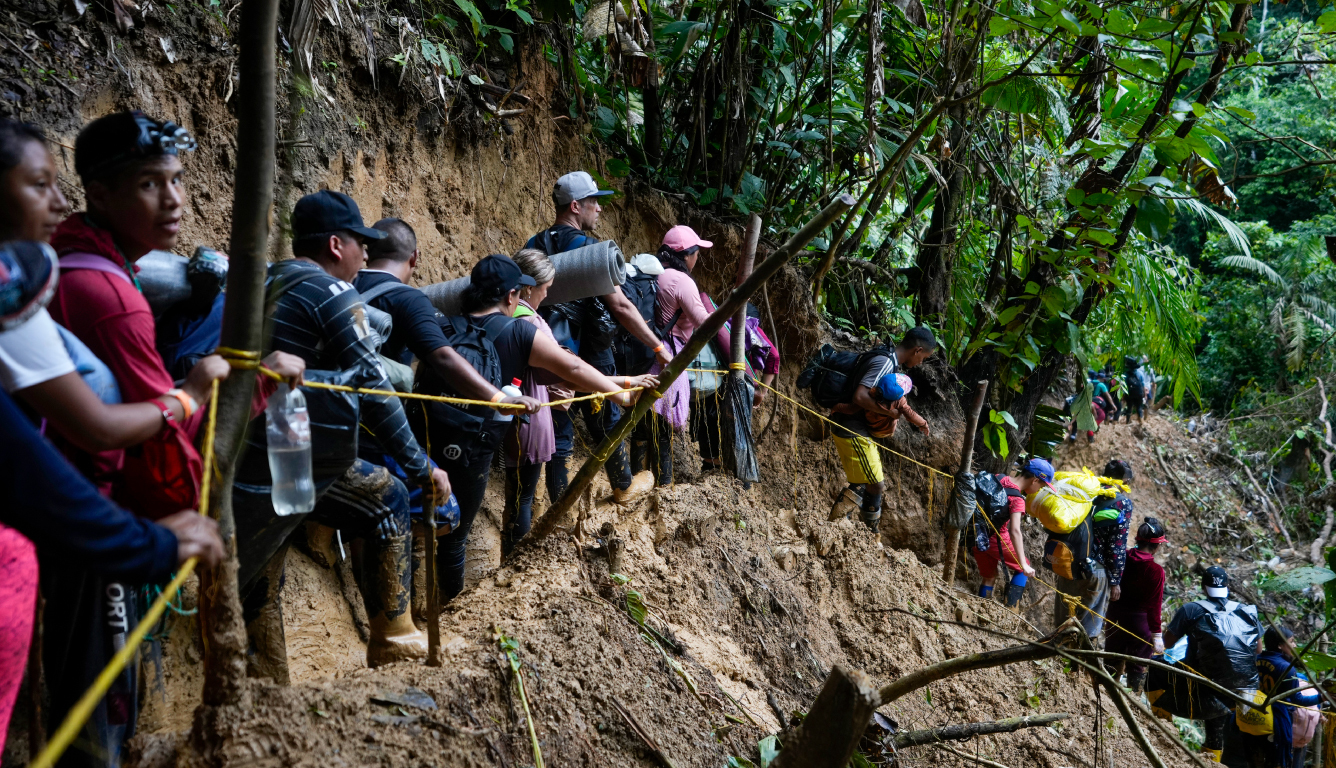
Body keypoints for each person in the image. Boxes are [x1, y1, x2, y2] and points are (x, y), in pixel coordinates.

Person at [0, 241, 225, 757]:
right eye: (37, 184)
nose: (55, 200)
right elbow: (93, 431)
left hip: (86, 527)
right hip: (87, 531)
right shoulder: (102, 295)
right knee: (99, 703)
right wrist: (189, 395)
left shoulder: (41, 288)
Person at [233, 189, 449, 671]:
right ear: (336, 245)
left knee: (260, 575)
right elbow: (371, 386)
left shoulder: (266, 281)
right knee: (387, 497)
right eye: (360, 243)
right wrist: (420, 468)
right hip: (295, 456)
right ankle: (393, 635)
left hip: (247, 453)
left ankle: (265, 687)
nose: (366, 253)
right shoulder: (330, 292)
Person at [415, 254, 655, 594]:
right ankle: (453, 608)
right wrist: (618, 394)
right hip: (474, 445)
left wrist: (624, 381)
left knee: (422, 522)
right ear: (512, 295)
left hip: (427, 435)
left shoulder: (447, 325)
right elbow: (569, 369)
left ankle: (415, 607)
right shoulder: (519, 331)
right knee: (457, 536)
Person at [526, 171, 672, 501]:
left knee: (559, 419)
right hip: (586, 346)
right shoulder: (589, 251)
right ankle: (622, 485)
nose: (599, 209)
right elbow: (619, 305)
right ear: (575, 206)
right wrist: (657, 346)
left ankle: (555, 505)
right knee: (607, 414)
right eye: (594, 202)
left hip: (543, 344)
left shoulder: (534, 244)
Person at [824, 327, 936, 532]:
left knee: (870, 482)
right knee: (872, 482)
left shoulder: (888, 359)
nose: (921, 363)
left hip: (853, 426)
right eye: (924, 357)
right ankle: (842, 529)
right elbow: (859, 397)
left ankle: (857, 532)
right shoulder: (885, 362)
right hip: (851, 427)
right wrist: (889, 414)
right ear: (918, 350)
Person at [502, 248, 570, 555]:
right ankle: (517, 563)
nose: (547, 293)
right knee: (523, 498)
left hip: (506, 409)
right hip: (529, 414)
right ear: (530, 287)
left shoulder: (502, 312)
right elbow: (560, 371)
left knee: (515, 496)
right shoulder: (531, 323)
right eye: (546, 287)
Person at [1163, 566, 1263, 763]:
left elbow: (1166, 644)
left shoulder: (1191, 609)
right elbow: (1258, 650)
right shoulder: (1245, 610)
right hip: (1244, 687)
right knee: (1219, 730)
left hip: (1203, 683)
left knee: (1157, 672)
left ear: (1203, 587)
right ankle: (1213, 761)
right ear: (1227, 586)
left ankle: (1161, 731)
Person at [653, 226, 723, 475]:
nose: (697, 259)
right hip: (669, 357)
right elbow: (704, 325)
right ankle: (664, 483)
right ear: (686, 255)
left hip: (645, 352)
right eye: (696, 253)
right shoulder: (682, 281)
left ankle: (645, 473)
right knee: (663, 420)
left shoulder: (653, 272)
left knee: (645, 423)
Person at [1021, 457, 1110, 640]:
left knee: (1063, 609)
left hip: (1066, 564)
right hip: (1090, 568)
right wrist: (1115, 579)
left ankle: (1061, 642)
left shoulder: (1073, 507)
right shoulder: (1098, 502)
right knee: (1086, 619)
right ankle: (1075, 648)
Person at [1240, 626, 1322, 768]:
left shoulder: (1254, 660)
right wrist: (1322, 698)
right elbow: (1298, 700)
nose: (1295, 645)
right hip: (1275, 724)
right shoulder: (1286, 668)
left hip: (1252, 719)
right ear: (1280, 645)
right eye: (1291, 641)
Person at [1105, 517, 1167, 693]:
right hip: (1140, 624)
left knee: (1111, 657)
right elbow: (1154, 607)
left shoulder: (1122, 556)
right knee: (1138, 666)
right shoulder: (1156, 571)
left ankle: (1106, 693)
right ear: (1157, 546)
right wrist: (1157, 636)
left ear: (1137, 539)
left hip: (1114, 617)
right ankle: (1134, 702)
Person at [966, 470, 1035, 608]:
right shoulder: (1018, 499)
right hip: (995, 540)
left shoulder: (999, 478)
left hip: (976, 535)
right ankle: (1011, 609)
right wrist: (1023, 564)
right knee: (1023, 568)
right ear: (1035, 480)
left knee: (990, 576)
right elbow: (1014, 530)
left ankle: (982, 610)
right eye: (1042, 485)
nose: (1039, 489)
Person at [1122, 356, 1146, 423]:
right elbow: (1143, 384)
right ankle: (1141, 421)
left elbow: (1124, 385)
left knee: (1129, 407)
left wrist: (1124, 395)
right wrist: (1144, 393)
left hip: (1129, 394)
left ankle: (1128, 421)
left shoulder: (1125, 375)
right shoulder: (1140, 373)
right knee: (1139, 407)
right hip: (1139, 393)